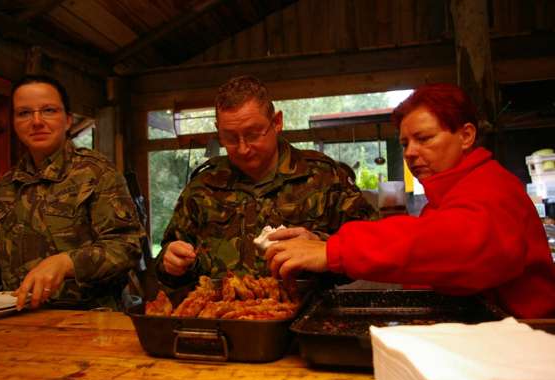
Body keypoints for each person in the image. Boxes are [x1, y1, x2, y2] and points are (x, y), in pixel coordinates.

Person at [266, 83, 555, 319]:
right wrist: (321, 243)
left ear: (466, 135)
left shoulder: (492, 188)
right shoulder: (444, 199)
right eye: (405, 143)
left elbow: (452, 245)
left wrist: (334, 250)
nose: (410, 153)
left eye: (424, 138)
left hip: (526, 344)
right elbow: (419, 262)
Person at [154, 75, 375, 286]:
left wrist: (322, 246)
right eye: (230, 138)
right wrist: (171, 263)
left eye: (252, 134)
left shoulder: (324, 177)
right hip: (223, 316)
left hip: (305, 316)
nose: (242, 148)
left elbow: (373, 249)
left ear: (277, 122)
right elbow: (168, 261)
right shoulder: (203, 186)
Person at [0, 75, 145, 310]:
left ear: (67, 120)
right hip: (16, 319)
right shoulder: (7, 185)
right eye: (24, 113)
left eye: (48, 110)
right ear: (14, 123)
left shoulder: (96, 173)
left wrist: (67, 263)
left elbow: (127, 248)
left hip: (89, 321)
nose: (36, 121)